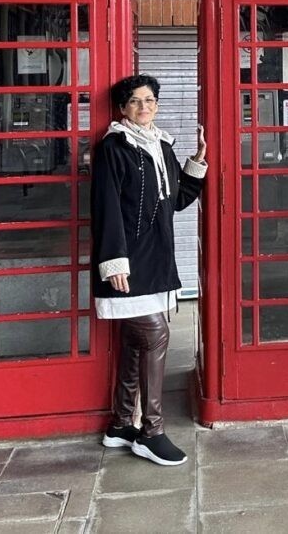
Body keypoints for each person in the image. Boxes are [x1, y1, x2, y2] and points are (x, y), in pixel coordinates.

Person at [91, 73, 207, 467]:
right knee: (156, 334)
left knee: (134, 341)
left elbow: (175, 201)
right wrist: (113, 261)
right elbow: (106, 207)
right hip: (128, 261)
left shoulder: (160, 145)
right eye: (135, 102)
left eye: (150, 101)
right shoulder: (114, 147)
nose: (144, 108)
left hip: (156, 257)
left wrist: (198, 162)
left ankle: (122, 423)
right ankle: (151, 431)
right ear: (123, 108)